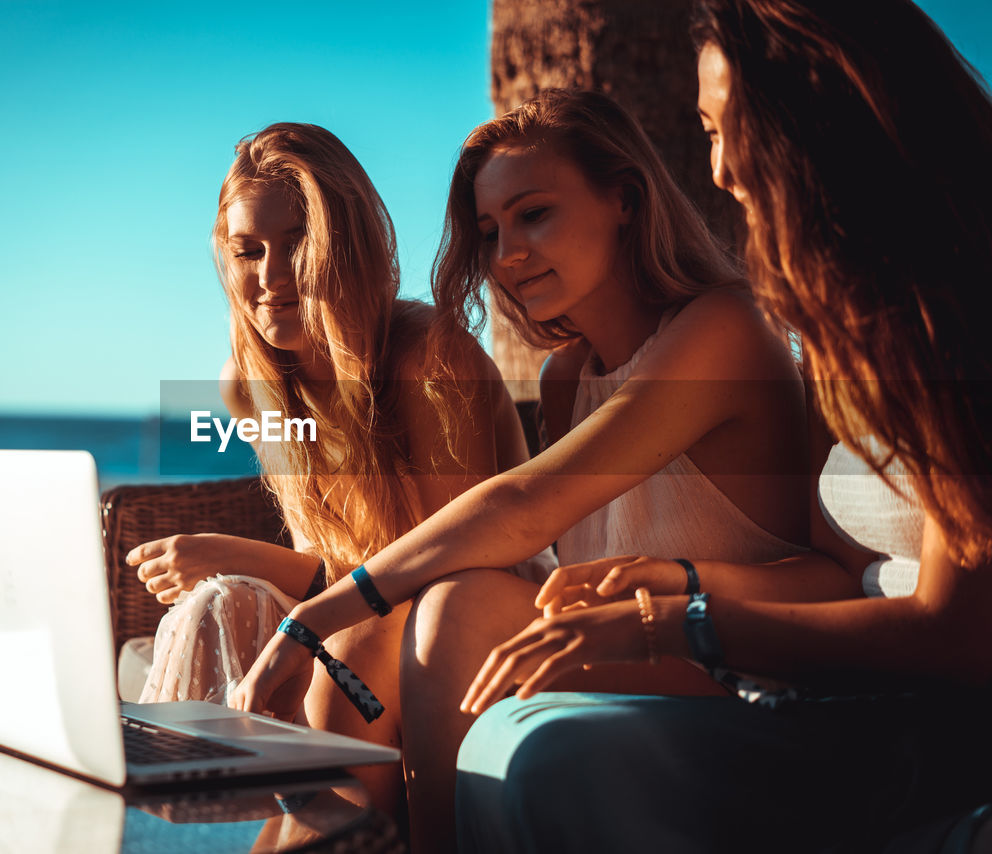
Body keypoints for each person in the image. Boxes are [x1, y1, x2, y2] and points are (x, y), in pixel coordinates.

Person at [231, 89, 849, 852]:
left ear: (623, 200)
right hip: (628, 647)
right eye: (490, 231)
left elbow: (524, 505)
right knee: (365, 652)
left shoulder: (723, 328)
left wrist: (308, 617)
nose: (508, 254)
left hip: (742, 663)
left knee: (444, 614)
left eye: (535, 214)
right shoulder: (567, 378)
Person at [451, 2, 992, 850]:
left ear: (812, 115)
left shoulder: (962, 310)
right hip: (843, 693)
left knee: (549, 752)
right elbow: (841, 571)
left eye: (723, 126)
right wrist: (674, 579)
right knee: (510, 727)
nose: (722, 168)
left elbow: (960, 633)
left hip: (934, 728)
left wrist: (678, 623)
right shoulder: (852, 327)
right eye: (705, 133)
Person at [124, 122, 548, 815]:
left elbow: (439, 574)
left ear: (345, 243)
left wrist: (233, 553)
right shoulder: (250, 384)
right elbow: (328, 559)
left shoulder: (431, 358)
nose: (271, 277)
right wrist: (241, 574)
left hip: (464, 621)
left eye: (297, 244)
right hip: (354, 613)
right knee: (220, 605)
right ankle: (176, 819)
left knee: (321, 632)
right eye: (248, 250)